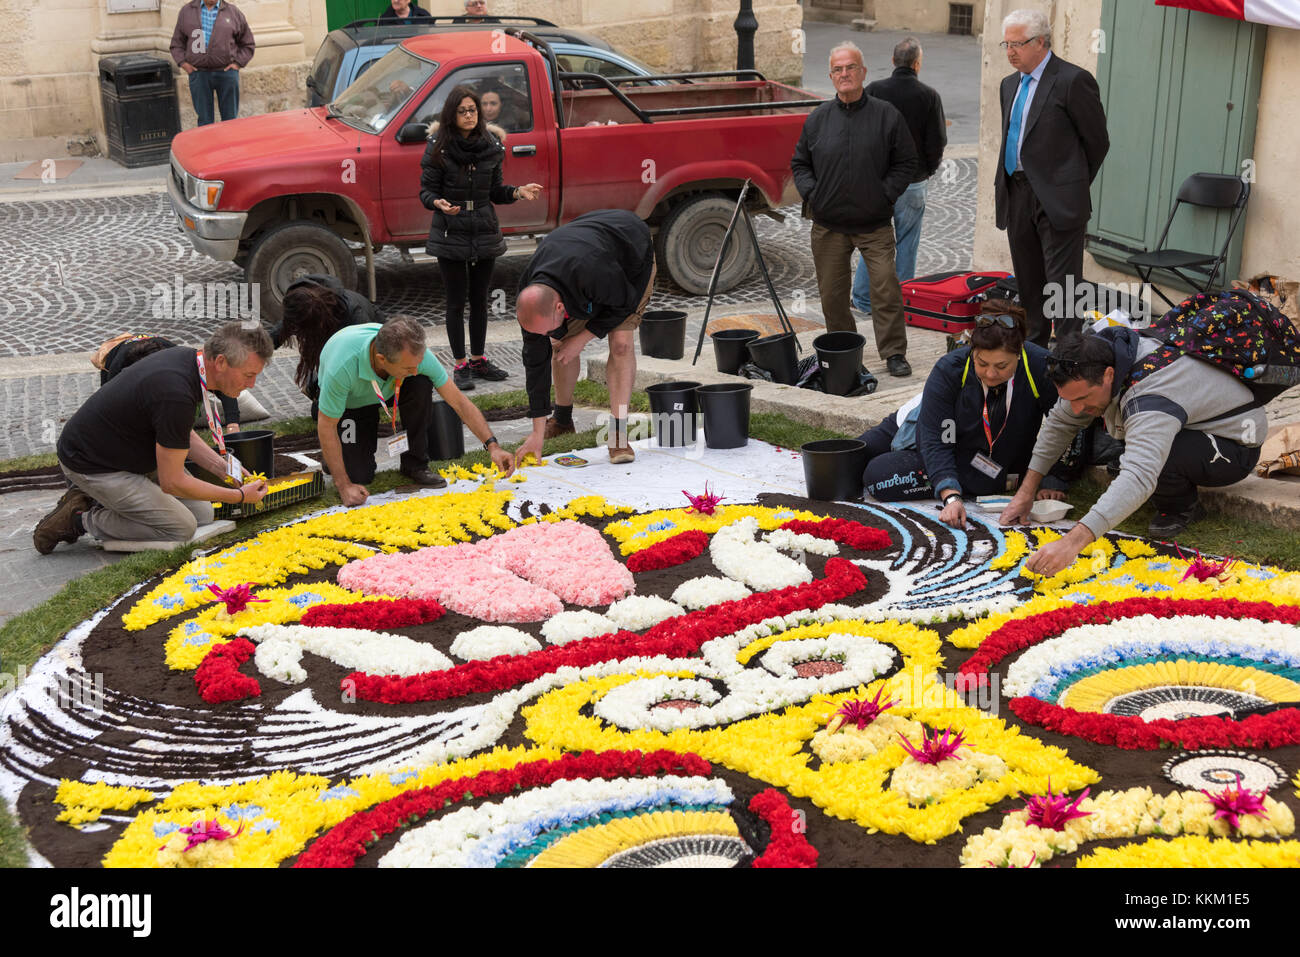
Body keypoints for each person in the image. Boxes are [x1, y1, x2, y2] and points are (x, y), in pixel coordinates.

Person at [1000, 326, 1266, 571]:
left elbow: (1139, 475)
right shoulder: (1100, 359)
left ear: (1108, 376)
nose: (1078, 410)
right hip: (1196, 422)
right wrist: (1027, 491)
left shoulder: (1149, 396)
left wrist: (1071, 543)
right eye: (1071, 399)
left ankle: (1180, 508)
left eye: (1082, 398)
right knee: (1137, 444)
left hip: (1234, 444)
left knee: (1161, 454)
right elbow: (1059, 422)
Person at [34, 323, 272, 554]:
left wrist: (224, 469)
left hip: (127, 453)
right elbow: (172, 481)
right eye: (248, 375)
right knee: (180, 527)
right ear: (220, 362)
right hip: (94, 464)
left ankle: (110, 501)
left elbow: (179, 432)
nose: (250, 384)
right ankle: (80, 519)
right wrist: (238, 496)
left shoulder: (188, 360)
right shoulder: (175, 391)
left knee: (203, 514)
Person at [857, 301, 1069, 528]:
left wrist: (1054, 477)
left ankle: (964, 477)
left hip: (990, 458)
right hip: (918, 425)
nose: (990, 373)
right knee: (853, 456)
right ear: (972, 352)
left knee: (878, 477)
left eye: (1001, 366)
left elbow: (1068, 424)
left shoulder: (1040, 367)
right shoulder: (950, 368)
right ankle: (959, 476)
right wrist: (951, 494)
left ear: (1019, 354)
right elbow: (935, 438)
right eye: (982, 363)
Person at [791, 41, 918, 378]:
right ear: (831, 76)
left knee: (885, 287)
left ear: (863, 72)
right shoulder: (818, 119)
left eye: (850, 68)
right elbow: (800, 163)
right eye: (838, 69)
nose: (844, 74)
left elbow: (906, 162)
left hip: (874, 224)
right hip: (829, 225)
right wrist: (814, 195)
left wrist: (884, 195)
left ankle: (893, 352)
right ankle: (845, 352)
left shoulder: (886, 115)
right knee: (833, 296)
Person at [995, 8, 1109, 348]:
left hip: (1057, 199)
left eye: (1017, 43)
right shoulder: (1008, 85)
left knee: (1062, 285)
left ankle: (1072, 353)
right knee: (1029, 282)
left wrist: (1069, 185)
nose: (1010, 51)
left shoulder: (1073, 80)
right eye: (1006, 44)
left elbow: (1097, 142)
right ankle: (1035, 352)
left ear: (1041, 41)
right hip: (1016, 193)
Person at [315, 314, 514, 506]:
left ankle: (415, 464)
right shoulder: (341, 368)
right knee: (359, 475)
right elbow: (326, 426)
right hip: (352, 404)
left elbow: (459, 402)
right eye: (408, 367)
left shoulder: (415, 356)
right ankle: (328, 444)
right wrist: (343, 485)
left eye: (417, 364)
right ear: (381, 360)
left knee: (420, 382)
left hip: (391, 388)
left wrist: (493, 446)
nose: (415, 369)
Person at [420, 86, 541, 391]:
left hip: (484, 228)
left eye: (473, 110)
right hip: (451, 230)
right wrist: (438, 203)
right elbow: (426, 191)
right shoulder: (438, 148)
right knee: (455, 302)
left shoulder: (492, 146)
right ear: (452, 113)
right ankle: (460, 364)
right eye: (463, 110)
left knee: (479, 300)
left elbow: (495, 191)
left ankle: (478, 359)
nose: (470, 115)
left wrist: (516, 192)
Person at [515, 210, 655, 466]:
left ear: (560, 309)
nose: (544, 335)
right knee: (559, 346)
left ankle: (618, 433)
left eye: (546, 329)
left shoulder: (594, 271)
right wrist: (537, 433)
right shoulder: (531, 299)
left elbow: (623, 303)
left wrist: (582, 338)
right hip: (581, 262)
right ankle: (562, 420)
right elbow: (535, 365)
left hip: (629, 261)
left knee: (621, 344)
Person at [851, 37, 947, 314]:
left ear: (893, 61)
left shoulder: (873, 91)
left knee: (872, 241)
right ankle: (902, 300)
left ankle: (863, 299)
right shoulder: (929, 96)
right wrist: (927, 170)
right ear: (917, 64)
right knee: (907, 241)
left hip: (877, 181)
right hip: (912, 181)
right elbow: (937, 141)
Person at [270, 274, 383, 414]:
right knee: (320, 409)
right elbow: (283, 328)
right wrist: (260, 349)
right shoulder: (303, 303)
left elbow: (364, 362)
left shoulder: (355, 316)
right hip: (335, 342)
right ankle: (317, 387)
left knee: (326, 411)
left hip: (368, 351)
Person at [92, 333, 241, 434]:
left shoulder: (181, 358)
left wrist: (232, 424)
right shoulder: (117, 372)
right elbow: (111, 409)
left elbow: (219, 380)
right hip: (116, 358)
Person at [169, 0, 255, 127]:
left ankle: (228, 146)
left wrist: (237, 64)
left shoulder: (233, 12)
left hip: (227, 74)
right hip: (199, 74)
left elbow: (248, 44)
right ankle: (208, 146)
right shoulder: (187, 11)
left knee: (230, 119)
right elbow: (177, 44)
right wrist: (184, 64)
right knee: (204, 121)